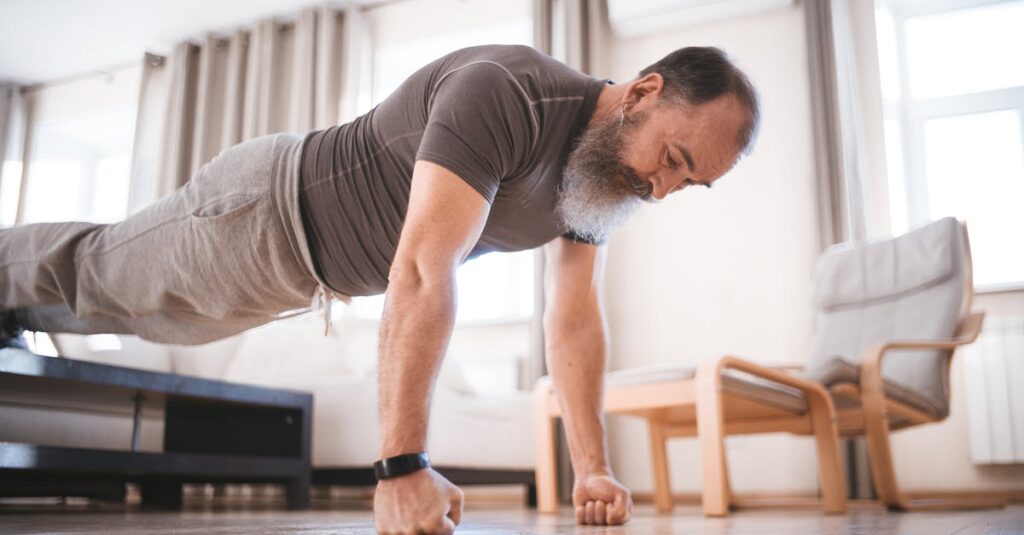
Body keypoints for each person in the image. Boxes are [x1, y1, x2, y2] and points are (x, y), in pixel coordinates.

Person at [0, 44, 759, 532]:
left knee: (124, 313)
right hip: (261, 212)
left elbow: (573, 322)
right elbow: (423, 270)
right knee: (95, 271)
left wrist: (591, 464)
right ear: (645, 91)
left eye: (688, 183)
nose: (662, 188)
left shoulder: (603, 181)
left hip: (302, 276)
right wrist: (401, 467)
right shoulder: (508, 94)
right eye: (674, 156)